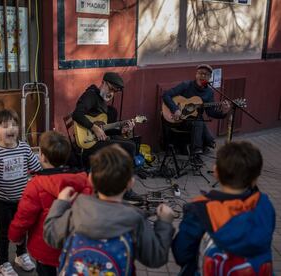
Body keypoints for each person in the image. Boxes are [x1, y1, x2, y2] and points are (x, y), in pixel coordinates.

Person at [43, 144, 175, 274]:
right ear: (130, 183)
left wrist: (60, 203)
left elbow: (51, 236)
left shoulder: (78, 209)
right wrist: (164, 223)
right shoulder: (135, 219)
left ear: (90, 179)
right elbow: (156, 258)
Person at [172, 141, 275, 275]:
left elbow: (182, 253)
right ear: (255, 179)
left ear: (216, 172)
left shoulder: (200, 210)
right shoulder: (264, 204)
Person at [8, 131, 93, 276]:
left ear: (42, 156)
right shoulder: (83, 181)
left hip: (45, 249)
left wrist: (15, 236)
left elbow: (24, 217)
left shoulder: (35, 185)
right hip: (73, 247)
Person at [0, 109, 42, 276]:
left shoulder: (24, 148)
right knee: (5, 232)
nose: (11, 129)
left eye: (14, 125)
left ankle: (21, 255)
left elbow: (37, 169)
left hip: (22, 198)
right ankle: (2, 263)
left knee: (23, 227)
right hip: (1, 200)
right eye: (5, 126)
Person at [162, 64, 231, 154]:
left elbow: (210, 113)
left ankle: (205, 145)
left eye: (206, 74)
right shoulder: (186, 85)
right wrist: (175, 109)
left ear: (209, 77)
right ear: (196, 75)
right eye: (200, 73)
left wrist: (224, 112)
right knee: (199, 121)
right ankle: (199, 148)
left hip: (194, 122)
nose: (202, 76)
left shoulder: (209, 92)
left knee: (199, 120)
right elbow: (166, 95)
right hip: (178, 119)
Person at [71, 71, 136, 166]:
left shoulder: (102, 102)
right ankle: (120, 177)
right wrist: (94, 128)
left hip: (96, 139)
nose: (111, 93)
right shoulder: (91, 95)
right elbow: (77, 114)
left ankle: (115, 175)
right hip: (89, 145)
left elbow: (105, 129)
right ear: (103, 83)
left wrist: (121, 131)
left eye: (114, 91)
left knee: (130, 143)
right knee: (130, 147)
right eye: (110, 89)